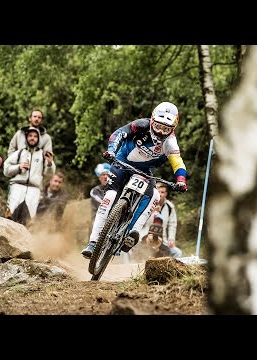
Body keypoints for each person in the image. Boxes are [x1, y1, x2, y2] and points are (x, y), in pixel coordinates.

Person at [81, 101, 188, 259]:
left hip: (144, 171)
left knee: (155, 196)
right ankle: (93, 242)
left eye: (166, 129)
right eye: (158, 126)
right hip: (122, 163)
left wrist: (181, 180)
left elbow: (178, 162)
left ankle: (131, 233)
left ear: (172, 129)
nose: (160, 132)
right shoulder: (140, 125)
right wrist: (111, 151)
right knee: (109, 198)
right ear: (152, 120)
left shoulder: (170, 143)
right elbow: (118, 134)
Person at [3, 127, 56, 225]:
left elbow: (50, 175)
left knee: (29, 221)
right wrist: (19, 167)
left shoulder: (43, 155)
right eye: (30, 136)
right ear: (26, 138)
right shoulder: (19, 153)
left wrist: (49, 163)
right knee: (10, 218)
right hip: (17, 187)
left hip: (34, 190)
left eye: (35, 136)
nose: (32, 138)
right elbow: (6, 170)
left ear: (39, 139)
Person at [139, 182, 182, 258]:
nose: (160, 194)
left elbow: (172, 225)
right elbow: (141, 221)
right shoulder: (147, 204)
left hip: (162, 240)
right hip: (144, 238)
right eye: (158, 192)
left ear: (166, 194)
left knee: (177, 253)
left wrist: (171, 239)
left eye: (162, 192)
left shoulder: (170, 207)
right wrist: (152, 212)